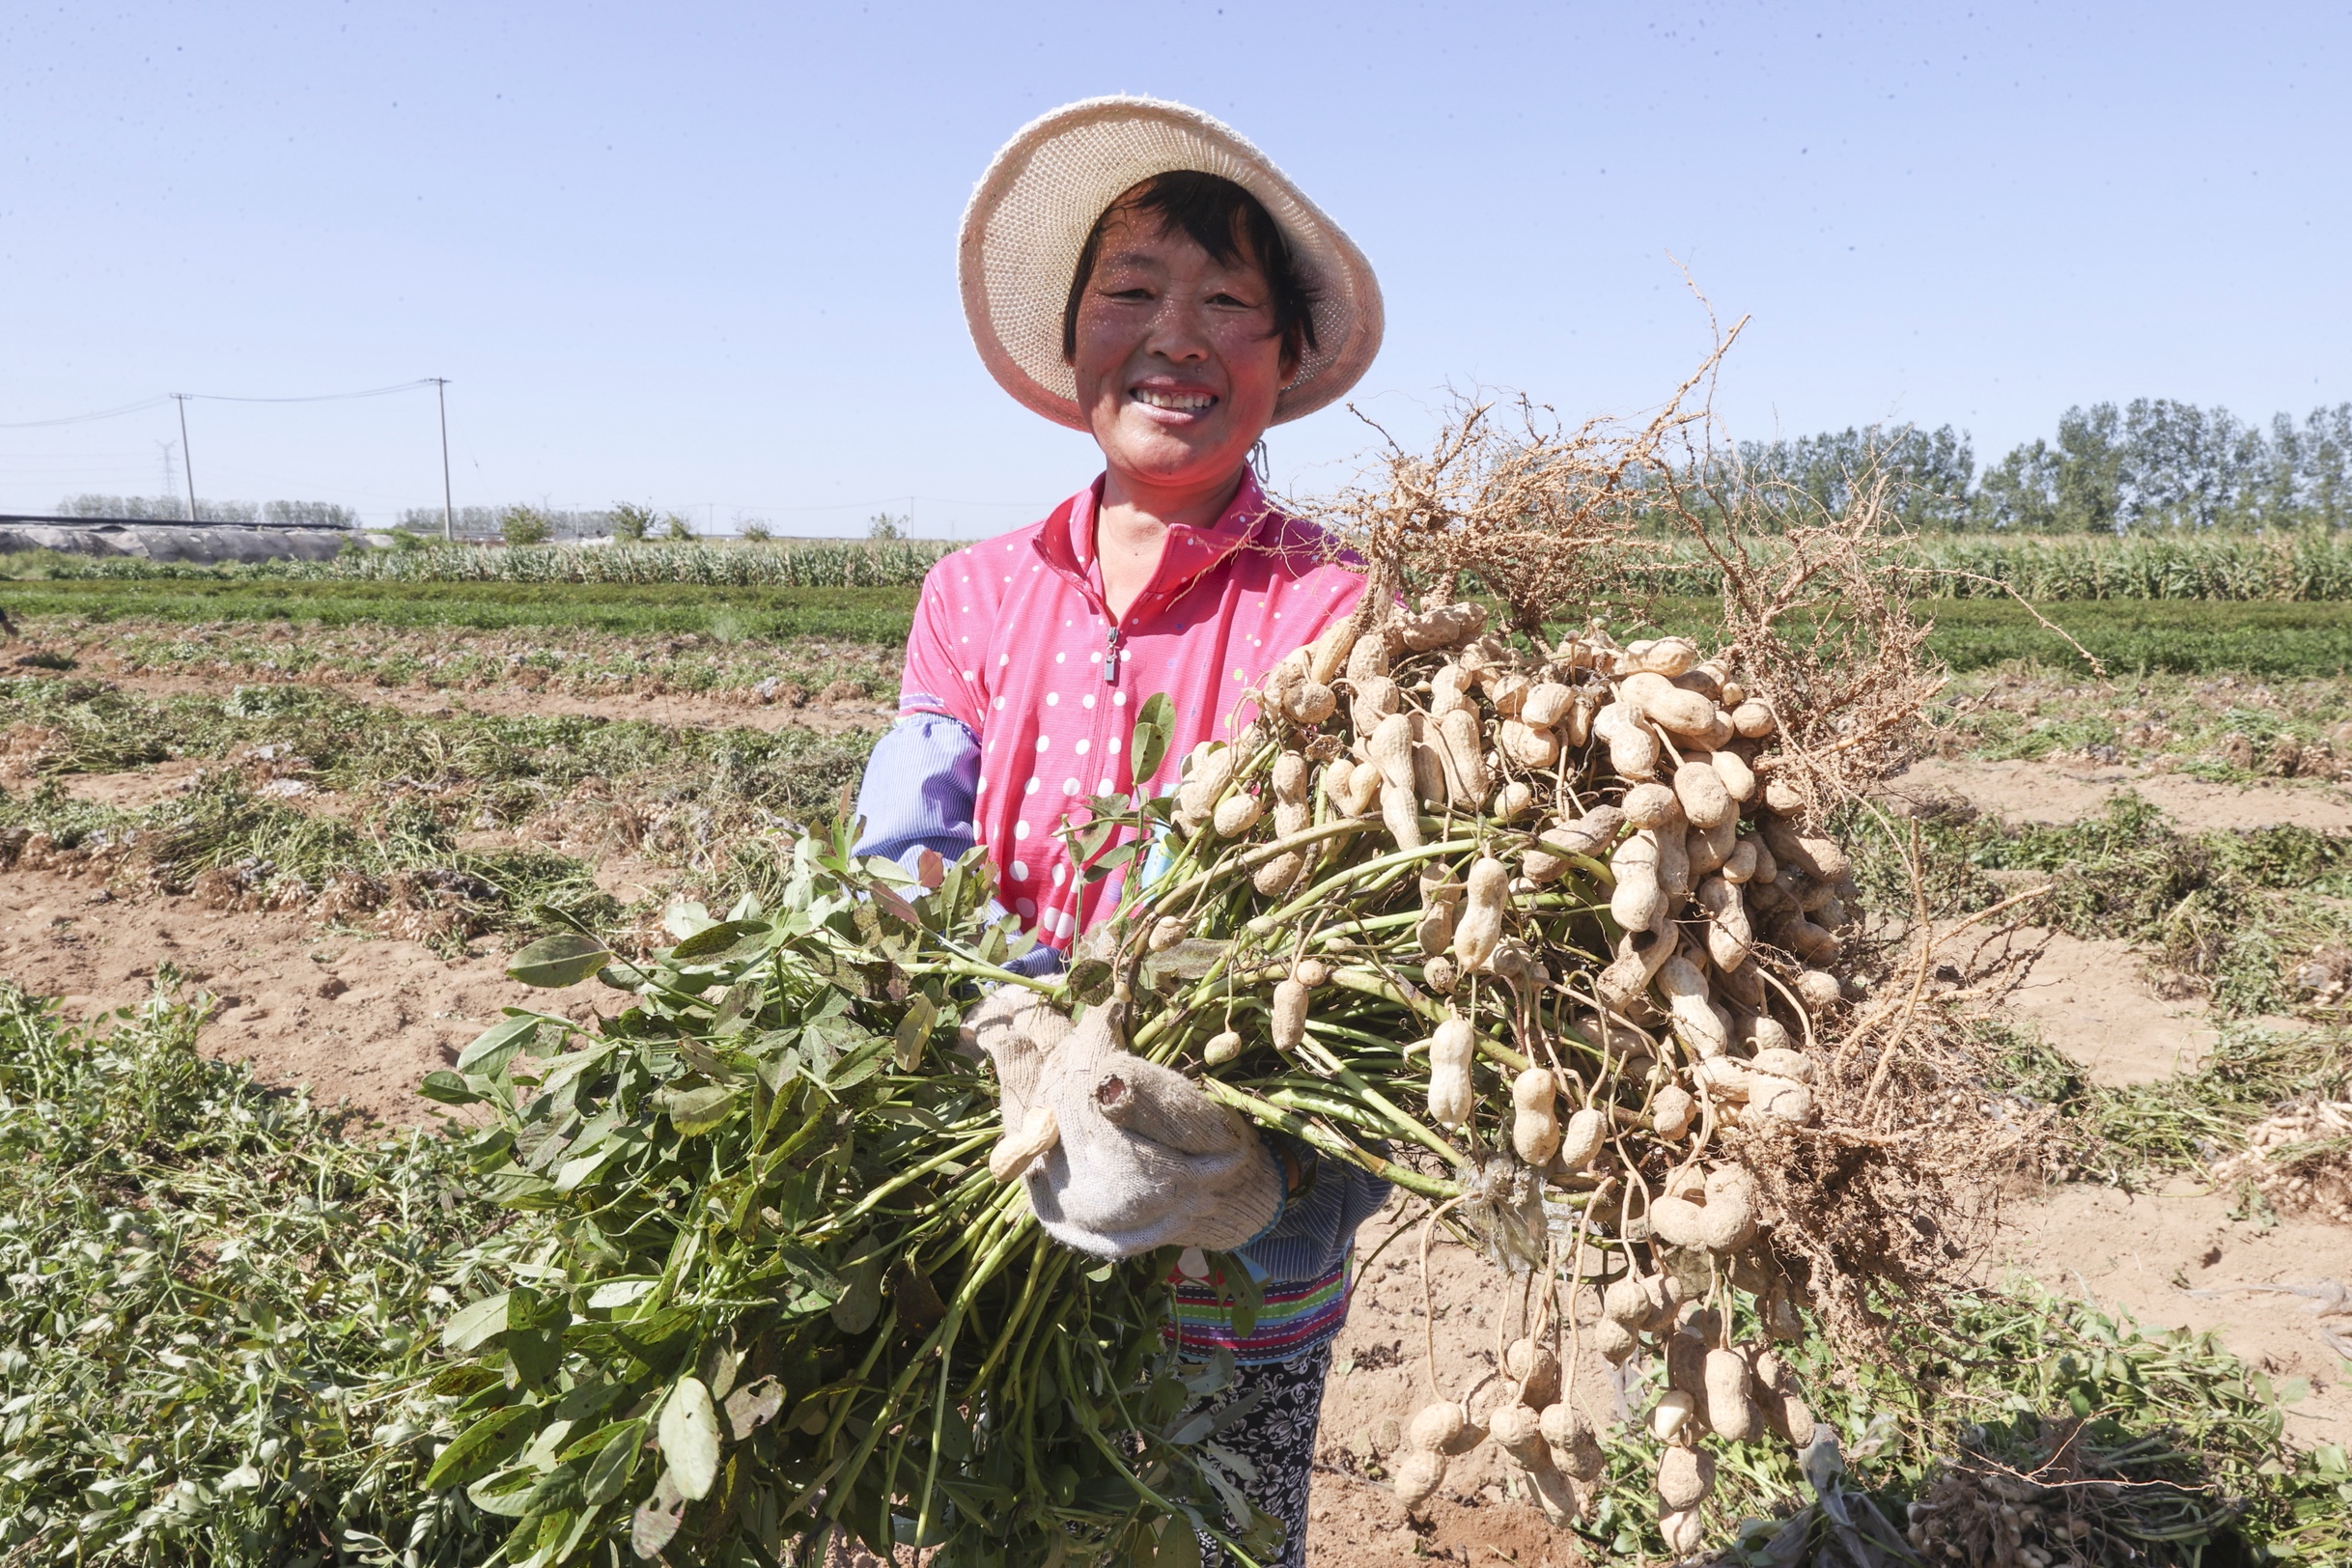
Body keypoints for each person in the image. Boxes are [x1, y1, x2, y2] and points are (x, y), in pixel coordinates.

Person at [851, 98, 1392, 1566]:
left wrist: (1252, 1162)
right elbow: (909, 855)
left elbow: (1374, 954)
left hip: (1241, 1240)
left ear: (1280, 367)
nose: (1178, 335)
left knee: (1218, 1535)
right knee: (1005, 1525)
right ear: (1076, 339)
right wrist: (994, 1011)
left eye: (1230, 303)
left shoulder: (1343, 615)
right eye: (1133, 292)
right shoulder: (972, 595)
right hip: (1001, 1175)